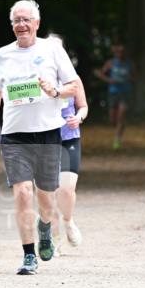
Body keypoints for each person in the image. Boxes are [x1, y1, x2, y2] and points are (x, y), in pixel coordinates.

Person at [0, 0, 78, 275]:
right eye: (16, 21)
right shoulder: (1, 55)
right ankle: (27, 255)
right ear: (11, 25)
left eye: (26, 20)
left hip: (48, 132)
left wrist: (56, 91)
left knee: (46, 198)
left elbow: (73, 85)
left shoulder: (52, 50)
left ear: (37, 23)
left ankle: (45, 227)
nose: (21, 25)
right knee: (23, 193)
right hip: (14, 134)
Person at [47, 34, 88, 252]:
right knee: (49, 191)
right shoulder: (40, 79)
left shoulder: (73, 79)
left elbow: (83, 106)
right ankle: (54, 239)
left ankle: (68, 221)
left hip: (69, 136)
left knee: (67, 189)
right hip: (45, 139)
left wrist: (78, 117)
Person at [95, 44, 134, 150]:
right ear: (116, 53)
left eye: (122, 52)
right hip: (113, 92)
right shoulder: (110, 63)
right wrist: (109, 80)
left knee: (121, 114)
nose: (120, 54)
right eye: (118, 52)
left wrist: (130, 78)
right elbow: (100, 73)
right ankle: (119, 127)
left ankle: (117, 139)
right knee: (113, 118)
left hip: (125, 92)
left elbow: (134, 76)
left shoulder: (129, 64)